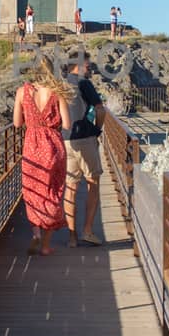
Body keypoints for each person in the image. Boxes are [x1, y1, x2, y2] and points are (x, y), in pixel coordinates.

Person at [13, 57, 71, 254]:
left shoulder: (22, 92)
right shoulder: (57, 92)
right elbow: (67, 125)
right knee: (53, 192)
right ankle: (45, 246)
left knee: (32, 191)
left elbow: (16, 123)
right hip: (54, 147)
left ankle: (36, 233)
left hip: (32, 146)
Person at [64, 50, 106, 246]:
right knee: (93, 183)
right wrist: (97, 130)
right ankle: (87, 230)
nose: (90, 70)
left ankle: (71, 236)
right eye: (88, 66)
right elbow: (100, 109)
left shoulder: (62, 83)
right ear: (78, 66)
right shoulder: (84, 83)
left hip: (66, 140)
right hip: (85, 138)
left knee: (70, 187)